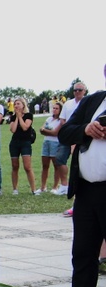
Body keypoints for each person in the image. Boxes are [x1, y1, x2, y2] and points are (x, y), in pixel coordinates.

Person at [59, 64, 106, 287]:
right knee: (83, 254)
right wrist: (87, 129)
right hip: (87, 191)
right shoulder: (93, 101)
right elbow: (65, 133)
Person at [59, 82, 88, 215]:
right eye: (75, 90)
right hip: (71, 138)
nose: (77, 92)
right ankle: (76, 203)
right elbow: (64, 122)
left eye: (79, 90)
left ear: (85, 91)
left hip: (84, 140)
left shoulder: (89, 103)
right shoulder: (68, 104)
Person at [9, 97, 39, 195]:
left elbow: (25, 127)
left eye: (18, 104)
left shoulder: (28, 115)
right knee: (15, 166)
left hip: (25, 142)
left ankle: (34, 189)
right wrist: (17, 117)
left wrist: (20, 117)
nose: (16, 105)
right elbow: (13, 130)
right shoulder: (13, 117)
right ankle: (15, 189)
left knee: (27, 166)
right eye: (15, 104)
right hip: (14, 143)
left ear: (23, 105)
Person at [40, 101, 65, 192]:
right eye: (53, 108)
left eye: (56, 108)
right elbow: (41, 129)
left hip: (55, 143)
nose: (54, 110)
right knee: (45, 165)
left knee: (56, 166)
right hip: (46, 142)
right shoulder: (49, 119)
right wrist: (46, 131)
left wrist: (46, 131)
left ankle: (55, 187)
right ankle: (43, 187)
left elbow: (55, 133)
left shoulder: (61, 121)